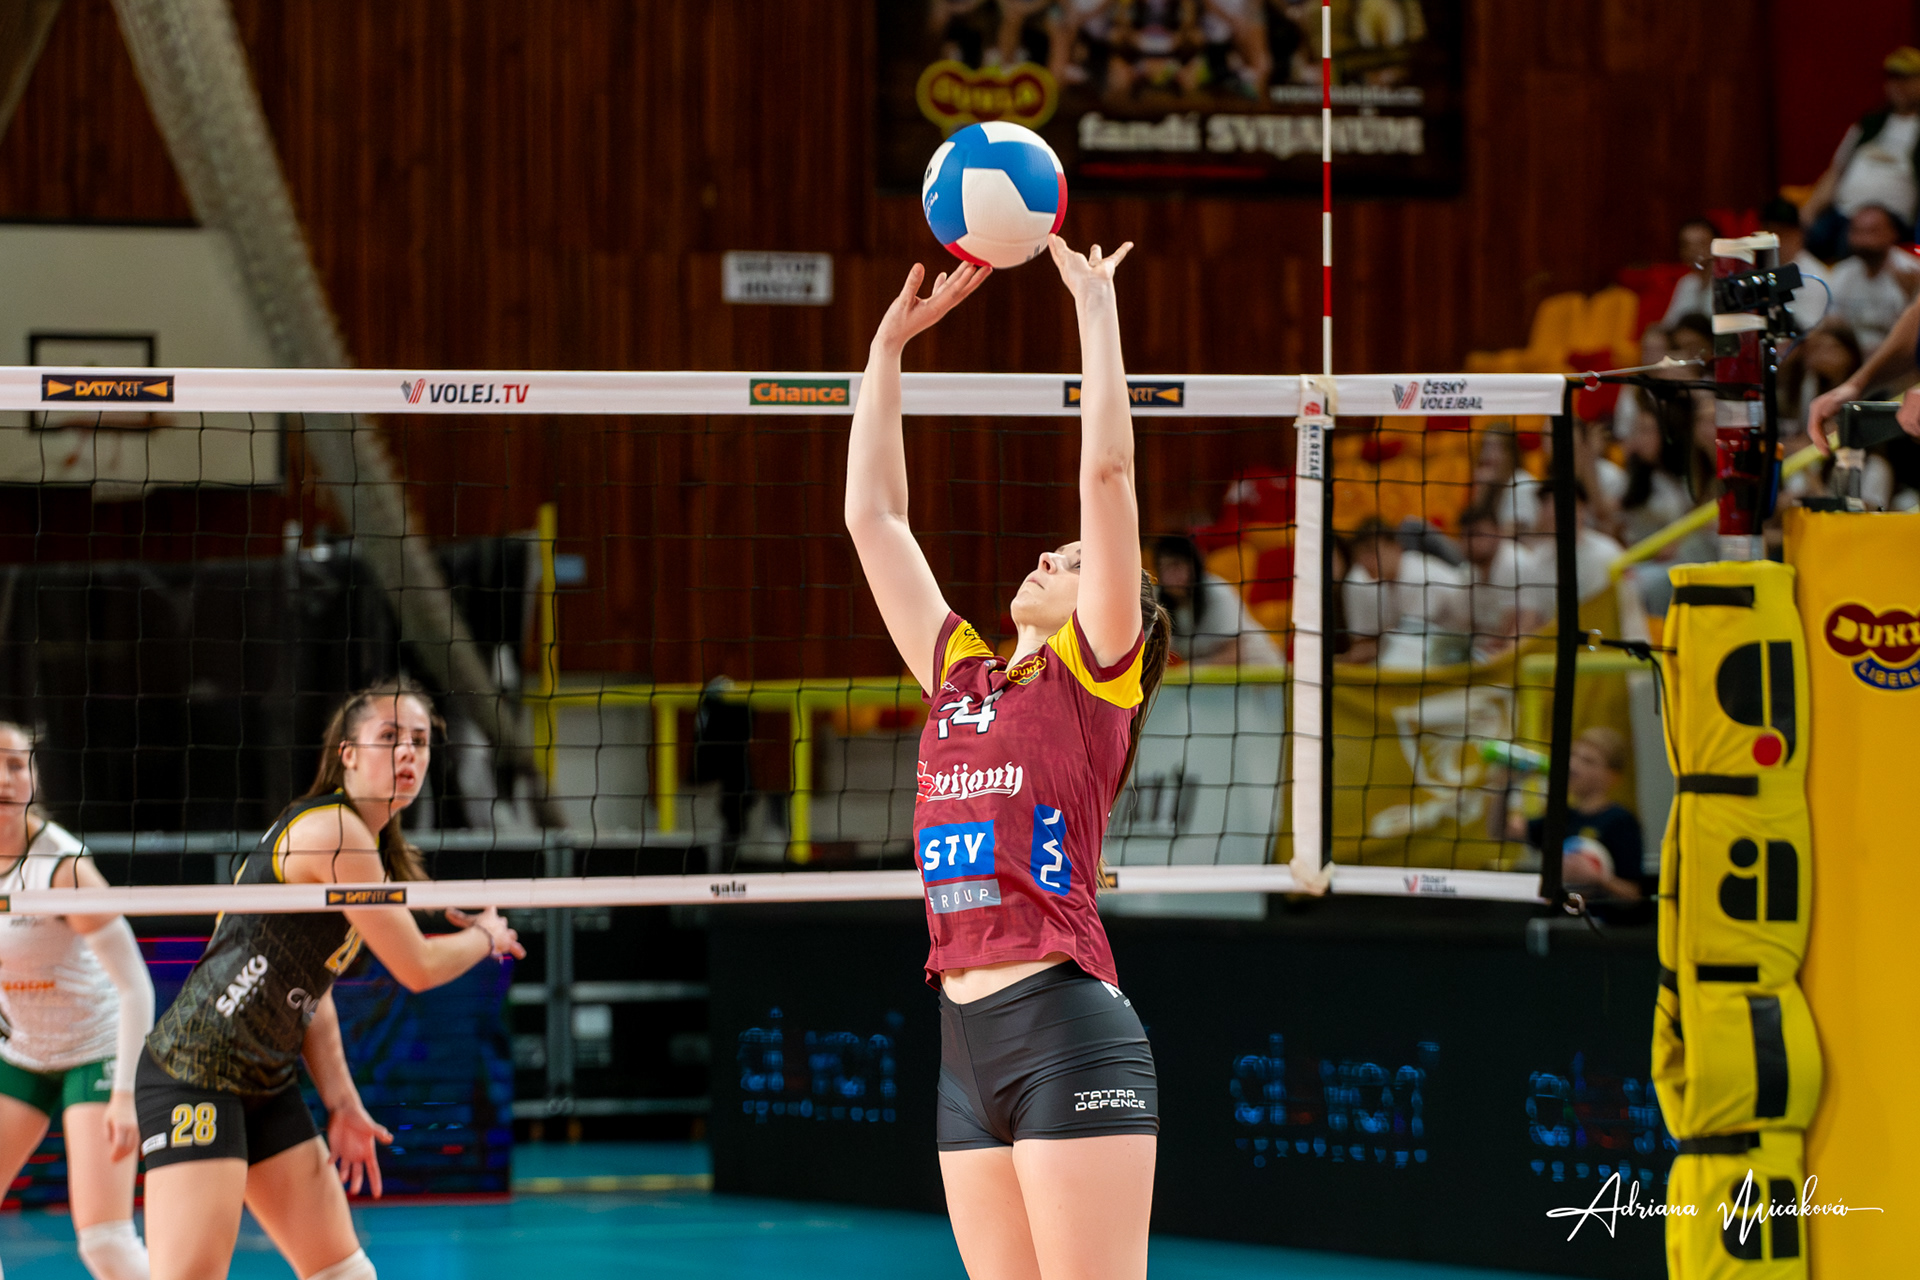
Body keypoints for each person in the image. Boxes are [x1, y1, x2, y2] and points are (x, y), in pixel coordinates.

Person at [845, 238, 1179, 1280]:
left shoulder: (1095, 673)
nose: (1050, 554)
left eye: (1073, 559)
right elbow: (874, 518)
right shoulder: (961, 674)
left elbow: (1109, 474)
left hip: (1065, 1030)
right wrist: (886, 353)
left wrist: (1094, 306)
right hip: (963, 1043)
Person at [135, 680, 525, 1280]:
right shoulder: (336, 835)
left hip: (265, 1081)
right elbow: (417, 967)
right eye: (389, 737)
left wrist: (343, 1103)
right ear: (348, 754)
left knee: (343, 1272)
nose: (408, 752)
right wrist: (486, 936)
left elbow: (311, 993)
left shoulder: (365, 843)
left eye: (419, 740)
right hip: (196, 1076)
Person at [0, 723, 155, 1280]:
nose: (5, 778)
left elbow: (135, 985)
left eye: (16, 765)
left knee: (105, 1242)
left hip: (96, 1049)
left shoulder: (62, 867)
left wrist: (125, 1093)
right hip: (24, 1050)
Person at [1801, 46, 1920, 263]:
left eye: (1905, 79)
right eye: (1892, 79)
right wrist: (1808, 211)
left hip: (1889, 219)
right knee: (1807, 237)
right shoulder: (1870, 123)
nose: (1897, 86)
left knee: (1854, 239)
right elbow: (1836, 171)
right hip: (1843, 212)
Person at [1508, 728, 1643, 900]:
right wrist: (1505, 784)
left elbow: (1633, 896)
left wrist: (1598, 879)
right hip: (1559, 914)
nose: (1573, 765)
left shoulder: (1620, 821)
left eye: (1588, 761)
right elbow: (1504, 830)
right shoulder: (1562, 816)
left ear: (1612, 776)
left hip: (1599, 915)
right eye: (1572, 756)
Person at [1341, 516, 1472, 669]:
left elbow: (1409, 641)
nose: (1366, 561)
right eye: (1360, 554)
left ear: (1396, 547)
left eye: (1372, 551)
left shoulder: (1417, 576)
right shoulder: (1386, 581)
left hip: (1467, 648)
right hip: (1442, 649)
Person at [1149, 534, 1282, 666]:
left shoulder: (1218, 592)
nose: (1169, 575)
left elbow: (1236, 651)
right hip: (1209, 675)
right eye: (1163, 567)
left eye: (1176, 566)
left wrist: (1190, 669)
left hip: (1260, 669)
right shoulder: (1156, 599)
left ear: (1194, 567)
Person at [1824, 205, 1920, 354]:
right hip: (1854, 352)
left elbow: (1912, 333)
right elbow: (1833, 322)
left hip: (1897, 353)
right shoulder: (1843, 272)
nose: (1864, 240)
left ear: (1893, 233)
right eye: (1857, 231)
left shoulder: (1911, 271)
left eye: (1872, 231)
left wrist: (1911, 293)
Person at [1758, 196, 1830, 333]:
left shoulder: (1814, 276)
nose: (1774, 243)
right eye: (1769, 234)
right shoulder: (1760, 263)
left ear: (1798, 234)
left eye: (1781, 234)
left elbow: (1809, 331)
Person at [1660, 218, 1721, 329]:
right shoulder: (1686, 282)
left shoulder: (1727, 281)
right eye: (1687, 245)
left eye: (1701, 244)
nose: (1693, 250)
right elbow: (1669, 326)